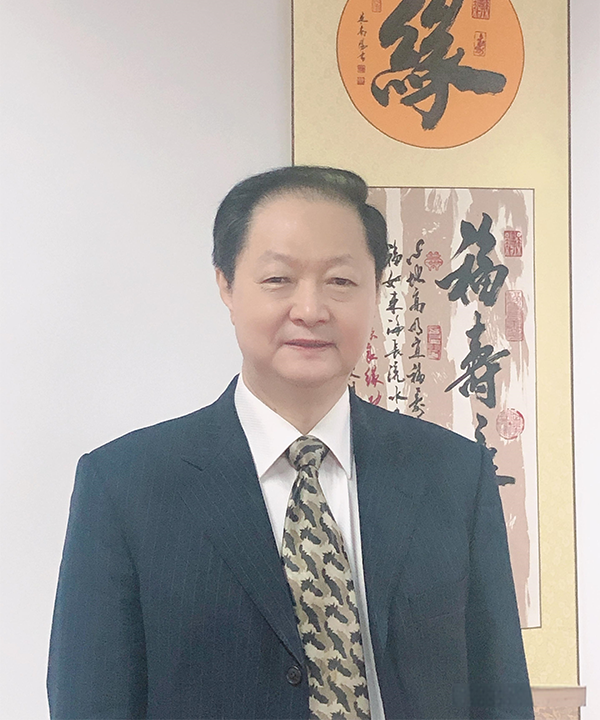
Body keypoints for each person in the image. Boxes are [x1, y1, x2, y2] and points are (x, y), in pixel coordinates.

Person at [48, 166, 533, 720]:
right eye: (278, 279)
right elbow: (91, 701)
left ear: (376, 289)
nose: (310, 310)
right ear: (226, 286)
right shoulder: (125, 486)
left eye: (341, 281)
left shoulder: (454, 473)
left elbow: (499, 694)